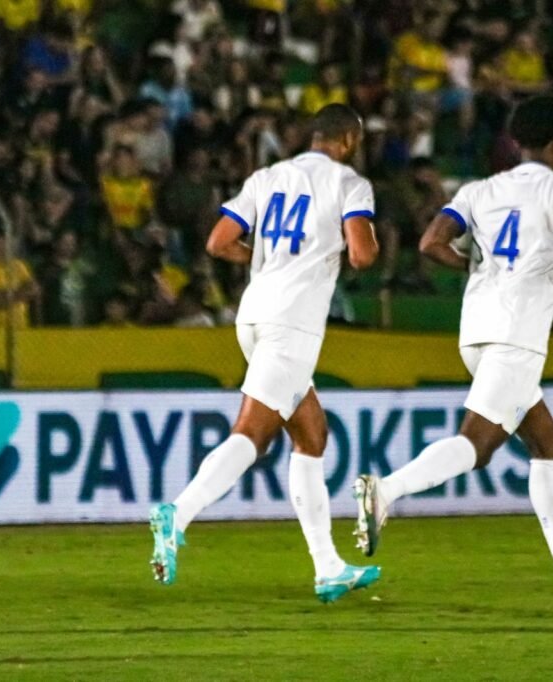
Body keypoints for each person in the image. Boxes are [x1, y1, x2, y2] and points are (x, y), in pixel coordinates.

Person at [352, 96, 553, 609]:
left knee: (548, 443)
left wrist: (476, 268)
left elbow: (430, 243)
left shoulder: (479, 190)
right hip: (518, 335)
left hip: (475, 331)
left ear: (517, 143)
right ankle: (385, 491)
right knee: (477, 446)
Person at [149, 104, 381, 602]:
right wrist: (356, 248)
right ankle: (178, 514)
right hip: (292, 324)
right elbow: (362, 254)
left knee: (311, 435)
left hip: (252, 313)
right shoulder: (349, 183)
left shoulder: (268, 176)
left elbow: (217, 241)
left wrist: (262, 257)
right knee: (252, 436)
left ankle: (329, 568)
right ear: (347, 140)